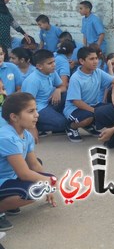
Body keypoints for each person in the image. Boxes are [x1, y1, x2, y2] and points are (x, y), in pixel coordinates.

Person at [0, 93, 57, 231]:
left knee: (43, 176)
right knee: (36, 190)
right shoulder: (7, 137)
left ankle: (8, 204)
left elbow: (34, 165)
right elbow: (24, 173)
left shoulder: (26, 134)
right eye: (31, 111)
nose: (37, 114)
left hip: (10, 176)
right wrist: (48, 183)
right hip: (3, 179)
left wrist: (49, 181)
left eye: (36, 110)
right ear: (14, 117)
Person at [64, 47, 114, 141]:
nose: (96, 61)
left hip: (93, 105)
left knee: (113, 109)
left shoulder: (97, 72)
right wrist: (95, 111)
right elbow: (76, 102)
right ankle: (71, 127)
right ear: (82, 61)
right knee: (88, 118)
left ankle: (89, 125)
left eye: (96, 58)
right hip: (74, 109)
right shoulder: (76, 78)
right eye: (91, 59)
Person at [21, 50, 67, 141]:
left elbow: (63, 87)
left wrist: (58, 90)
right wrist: (32, 128)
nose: (54, 65)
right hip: (38, 108)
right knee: (62, 123)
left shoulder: (52, 72)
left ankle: (52, 122)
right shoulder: (33, 80)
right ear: (39, 66)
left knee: (65, 95)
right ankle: (31, 125)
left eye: (54, 62)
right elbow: (26, 105)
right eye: (50, 63)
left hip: (50, 103)